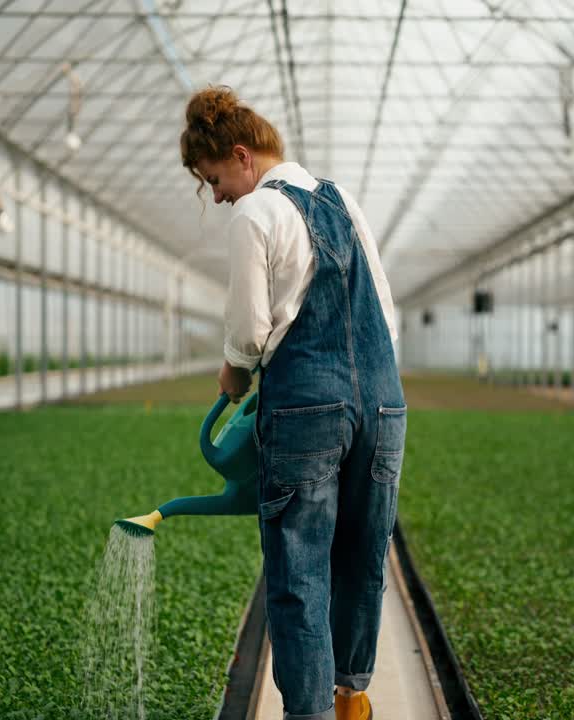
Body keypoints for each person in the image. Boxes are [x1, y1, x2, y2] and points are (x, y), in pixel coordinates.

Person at [180, 86, 405, 720]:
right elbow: (384, 311)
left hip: (307, 406)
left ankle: (308, 713)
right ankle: (351, 697)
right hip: (383, 404)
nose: (217, 195)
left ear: (242, 157)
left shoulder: (255, 213)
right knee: (362, 554)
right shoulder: (343, 201)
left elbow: (251, 333)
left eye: (215, 179)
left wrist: (233, 373)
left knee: (300, 566)